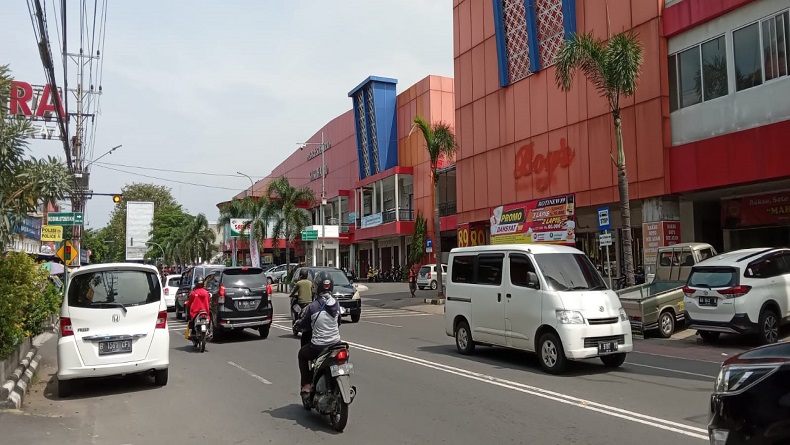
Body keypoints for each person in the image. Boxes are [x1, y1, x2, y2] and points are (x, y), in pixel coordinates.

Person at [294, 271, 341, 394]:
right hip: (336, 344)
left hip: (318, 346)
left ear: (317, 286)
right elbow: (339, 322)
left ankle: (306, 384)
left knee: (302, 355)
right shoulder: (336, 303)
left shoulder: (313, 307)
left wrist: (297, 324)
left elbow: (304, 324)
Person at [290, 269, 315, 346]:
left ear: (300, 275)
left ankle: (297, 323)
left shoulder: (299, 283)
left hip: (301, 303)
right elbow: (313, 291)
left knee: (297, 312)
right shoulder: (310, 283)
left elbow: (294, 291)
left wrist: (291, 295)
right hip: (310, 302)